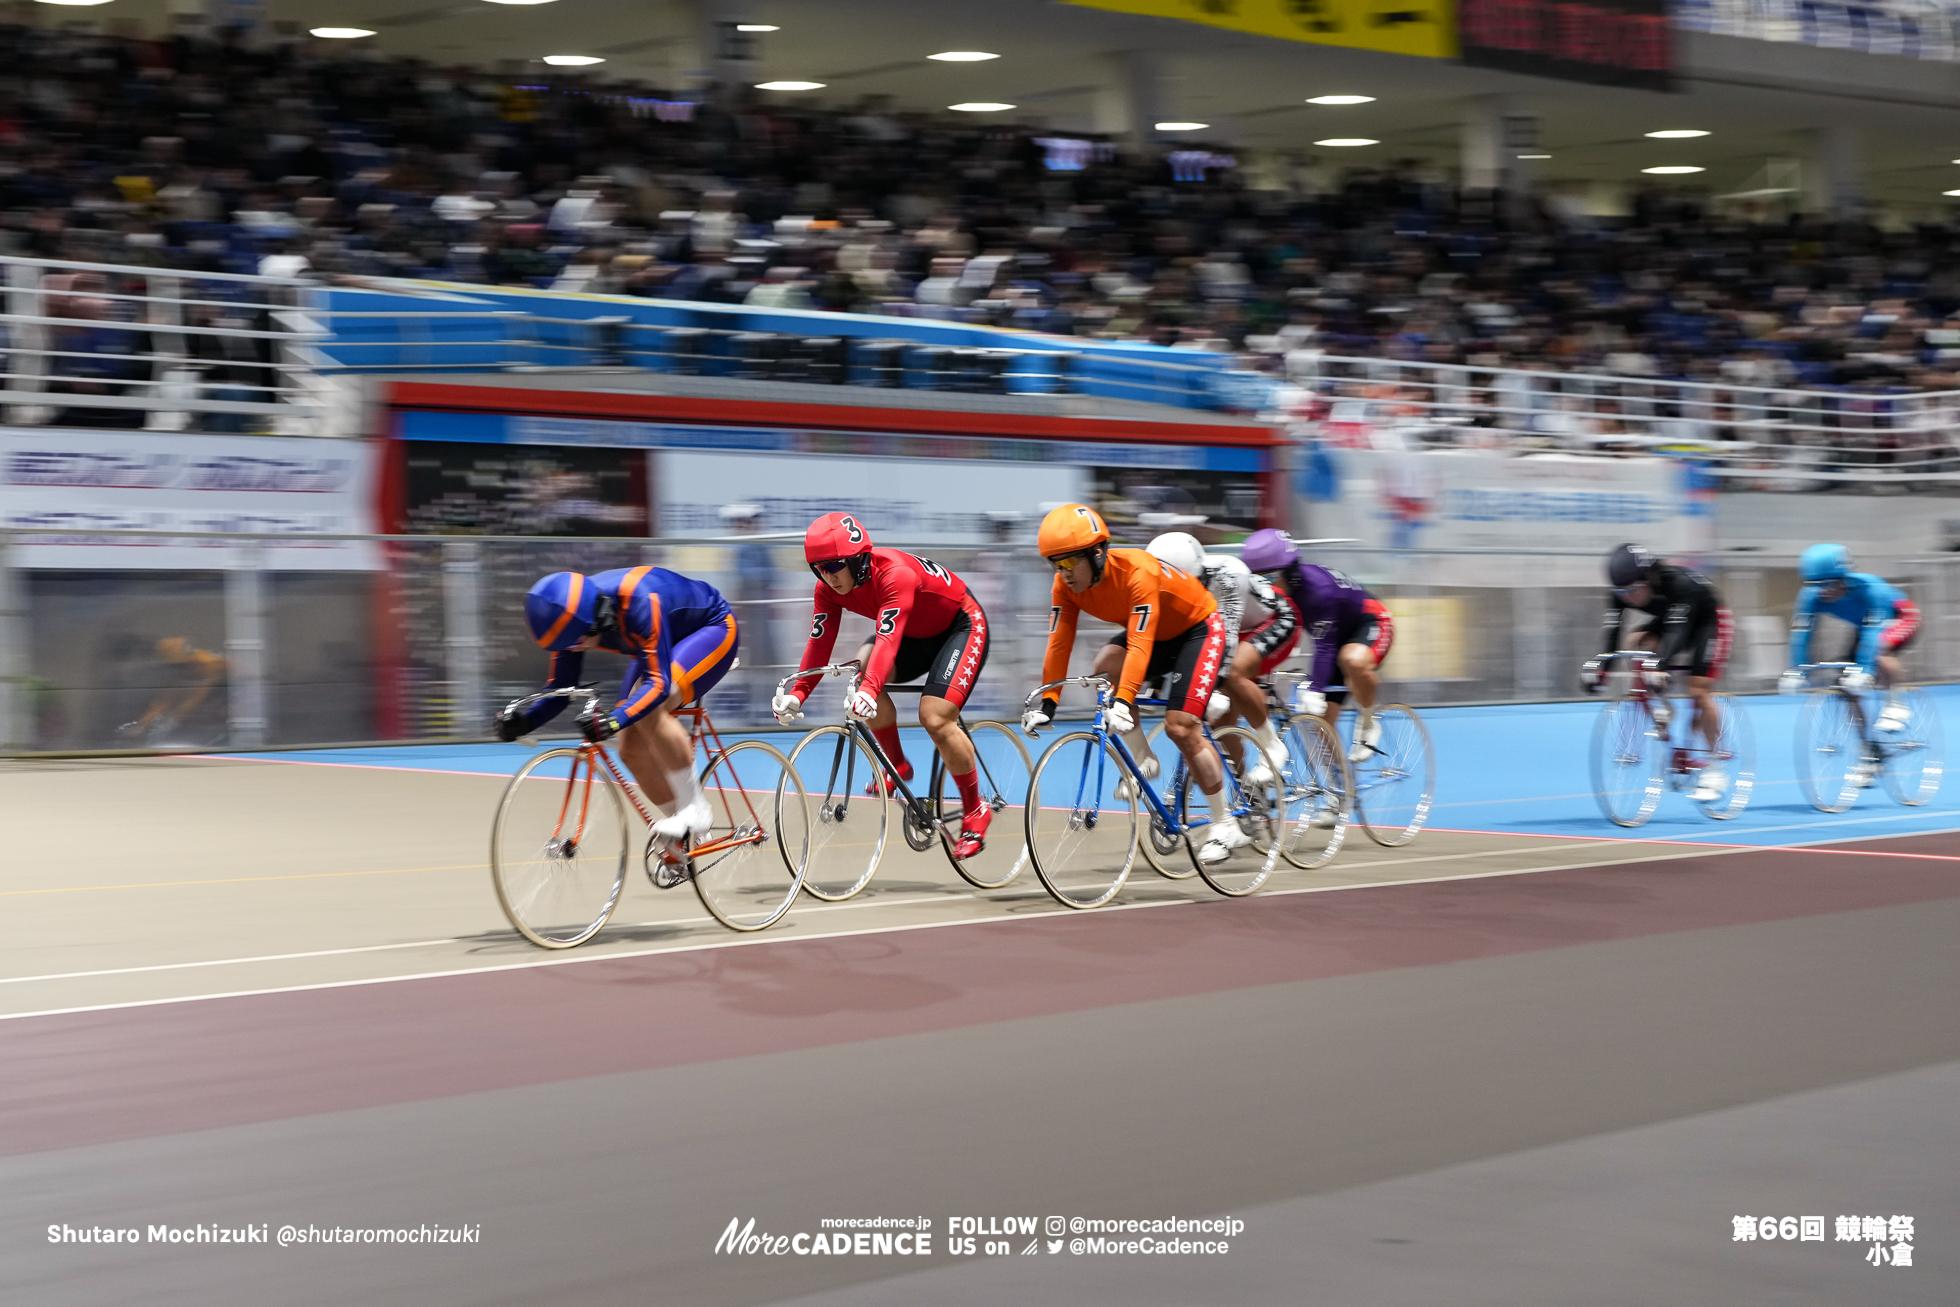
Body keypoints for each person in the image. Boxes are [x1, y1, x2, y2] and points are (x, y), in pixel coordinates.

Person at [1027, 504, 1245, 865]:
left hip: (1198, 628)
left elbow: (1140, 644)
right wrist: (1048, 703)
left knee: (1181, 727)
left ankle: (1225, 823)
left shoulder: (1137, 571)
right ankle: (1145, 759)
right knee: (1104, 666)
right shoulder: (1064, 587)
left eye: (1068, 562)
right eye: (1054, 564)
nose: (1062, 573)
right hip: (1159, 633)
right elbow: (1059, 642)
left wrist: (1124, 702)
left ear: (1096, 553)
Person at [772, 512, 994, 859]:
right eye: (818, 569)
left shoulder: (894, 574)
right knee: (860, 675)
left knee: (935, 718)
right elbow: (819, 644)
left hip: (959, 626)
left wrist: (869, 692)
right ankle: (899, 766)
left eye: (833, 566)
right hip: (912, 633)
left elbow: (887, 640)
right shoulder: (827, 590)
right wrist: (797, 693)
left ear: (858, 559)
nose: (827, 577)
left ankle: (975, 810)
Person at [495, 567, 740, 840]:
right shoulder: (574, 620)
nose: (573, 650)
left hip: (711, 629)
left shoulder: (640, 602)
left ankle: (696, 810)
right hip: (661, 640)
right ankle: (683, 834)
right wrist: (526, 722)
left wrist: (613, 720)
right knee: (629, 748)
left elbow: (658, 686)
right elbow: (562, 690)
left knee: (649, 712)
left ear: (597, 619)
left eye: (576, 643)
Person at [1146, 531, 1298, 786]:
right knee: (1220, 726)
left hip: (1272, 620)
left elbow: (1225, 642)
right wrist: (1157, 683)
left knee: (1233, 673)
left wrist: (1212, 686)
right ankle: (1247, 796)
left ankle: (1273, 745)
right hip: (1229, 631)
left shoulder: (1229, 575)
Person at [1587, 543, 1732, 802]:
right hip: (1673, 620)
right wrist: (1600, 671)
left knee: (1698, 690)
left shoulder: (1677, 584)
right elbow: (1612, 634)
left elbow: (1678, 631)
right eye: (1621, 592)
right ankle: (1662, 705)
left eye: (1633, 590)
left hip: (1708, 622)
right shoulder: (1622, 593)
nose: (1627, 597)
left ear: (1650, 578)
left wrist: (1661, 665)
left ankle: (1715, 767)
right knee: (1638, 640)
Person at [1240, 529, 1391, 768]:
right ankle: (1340, 794)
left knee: (1352, 660)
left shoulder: (1317, 591)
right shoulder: (1277, 590)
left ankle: (1368, 721)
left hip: (1370, 621)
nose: (1262, 586)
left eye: (1268, 578)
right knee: (1322, 726)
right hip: (1330, 638)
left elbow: (1325, 645)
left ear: (1291, 573)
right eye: (1255, 580)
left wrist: (1314, 688)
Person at [1781, 543, 1919, 738]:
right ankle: (1869, 751)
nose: (1822, 592)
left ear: (1843, 578)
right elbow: (1802, 633)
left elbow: (1873, 635)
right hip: (1866, 624)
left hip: (1902, 617)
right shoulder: (1811, 596)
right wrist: (1797, 670)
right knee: (1847, 685)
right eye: (1814, 585)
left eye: (1827, 584)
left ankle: (1896, 704)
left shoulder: (1872, 590)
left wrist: (1865, 671)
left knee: (1879, 651)